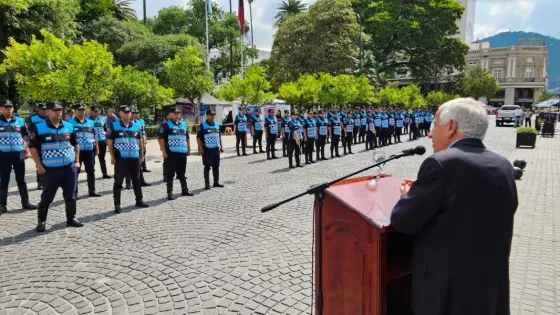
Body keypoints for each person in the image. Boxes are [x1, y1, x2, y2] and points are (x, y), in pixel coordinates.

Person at [390, 98, 518, 315]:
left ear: (451, 127)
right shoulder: (502, 164)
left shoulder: (441, 163)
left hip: (446, 295)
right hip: (487, 288)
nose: (430, 134)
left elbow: (403, 221)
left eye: (434, 125)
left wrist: (407, 196)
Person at [28, 101, 83, 232]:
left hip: (69, 168)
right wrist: (39, 166)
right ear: (47, 111)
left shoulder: (69, 126)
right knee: (47, 197)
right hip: (51, 169)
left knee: (71, 195)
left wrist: (77, 160)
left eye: (59, 110)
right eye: (54, 110)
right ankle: (41, 221)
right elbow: (32, 148)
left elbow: (75, 144)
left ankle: (71, 218)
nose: (58, 112)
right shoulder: (39, 127)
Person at [107, 105, 149, 214]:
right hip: (121, 158)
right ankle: (117, 204)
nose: (127, 114)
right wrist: (112, 156)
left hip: (134, 158)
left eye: (129, 112)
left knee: (137, 180)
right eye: (125, 112)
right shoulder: (114, 126)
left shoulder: (136, 126)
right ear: (120, 114)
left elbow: (140, 141)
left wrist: (142, 155)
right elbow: (110, 143)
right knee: (118, 182)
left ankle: (139, 200)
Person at [0, 100, 38, 214]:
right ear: (1, 108)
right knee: (3, 181)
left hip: (18, 153)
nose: (8, 109)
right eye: (6, 107)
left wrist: (26, 149)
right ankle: (2, 205)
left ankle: (25, 202)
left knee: (21, 180)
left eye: (10, 107)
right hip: (3, 154)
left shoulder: (20, 121)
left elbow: (26, 135)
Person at [158, 106, 194, 200]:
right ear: (168, 114)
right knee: (170, 174)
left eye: (178, 113)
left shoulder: (183, 124)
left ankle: (184, 190)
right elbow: (161, 138)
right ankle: (169, 192)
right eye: (174, 113)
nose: (177, 115)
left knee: (182, 173)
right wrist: (163, 151)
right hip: (171, 153)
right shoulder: (165, 125)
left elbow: (187, 138)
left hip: (182, 152)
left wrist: (188, 149)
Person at [68, 104, 101, 198]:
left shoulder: (90, 122)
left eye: (83, 110)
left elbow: (94, 136)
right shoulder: (70, 123)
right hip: (76, 152)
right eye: (79, 110)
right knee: (75, 172)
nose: (82, 112)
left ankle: (92, 190)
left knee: (91, 171)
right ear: (75, 111)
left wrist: (97, 147)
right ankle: (74, 192)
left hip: (89, 151)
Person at [197, 109, 225, 189]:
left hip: (216, 148)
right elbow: (198, 138)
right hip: (207, 149)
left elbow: (219, 136)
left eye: (214, 115)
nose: (213, 116)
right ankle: (207, 184)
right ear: (207, 115)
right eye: (211, 115)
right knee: (207, 167)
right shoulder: (202, 125)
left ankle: (216, 182)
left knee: (216, 166)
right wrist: (200, 148)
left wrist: (221, 146)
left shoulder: (216, 124)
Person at [25, 103, 48, 190]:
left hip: (47, 142)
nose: (44, 111)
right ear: (38, 110)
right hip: (37, 142)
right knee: (40, 162)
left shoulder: (49, 117)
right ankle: (40, 182)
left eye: (45, 109)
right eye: (42, 109)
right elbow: (28, 131)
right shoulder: (31, 118)